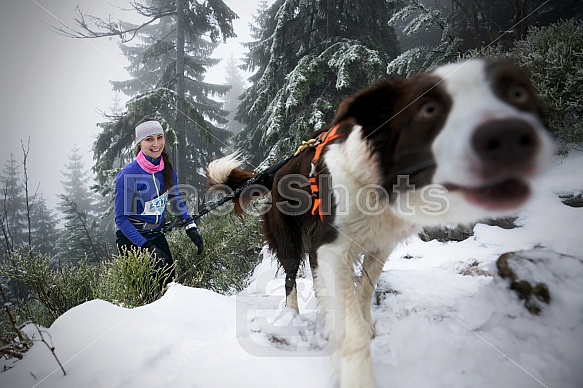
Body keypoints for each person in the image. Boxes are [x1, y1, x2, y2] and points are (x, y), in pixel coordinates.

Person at [114, 119, 203, 287]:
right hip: (132, 240)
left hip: (157, 235)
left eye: (159, 137)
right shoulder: (128, 175)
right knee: (147, 294)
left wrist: (191, 228)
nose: (156, 144)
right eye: (149, 139)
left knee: (170, 287)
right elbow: (121, 220)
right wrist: (146, 247)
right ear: (140, 143)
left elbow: (176, 200)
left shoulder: (167, 170)